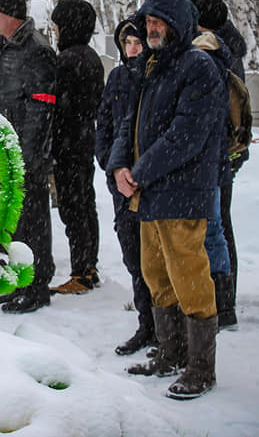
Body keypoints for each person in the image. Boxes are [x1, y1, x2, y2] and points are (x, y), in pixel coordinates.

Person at [106, 0, 225, 400]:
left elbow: (186, 135)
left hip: (182, 192)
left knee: (190, 278)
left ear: (177, 25)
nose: (152, 29)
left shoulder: (198, 66)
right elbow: (128, 123)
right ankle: (170, 353)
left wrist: (138, 173)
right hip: (149, 194)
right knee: (157, 275)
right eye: (148, 22)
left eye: (159, 22)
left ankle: (201, 367)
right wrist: (119, 166)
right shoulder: (150, 66)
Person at [0, 0, 57, 314]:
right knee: (15, 222)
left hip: (26, 155)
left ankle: (37, 285)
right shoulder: (4, 45)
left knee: (33, 220)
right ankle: (20, 280)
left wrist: (23, 155)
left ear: (9, 15)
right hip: (5, 149)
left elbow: (41, 108)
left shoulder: (35, 49)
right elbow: (2, 98)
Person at [96, 18, 155, 355]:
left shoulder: (155, 75)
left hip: (150, 177)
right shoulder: (118, 76)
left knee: (155, 257)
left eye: (138, 42)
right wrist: (110, 164)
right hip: (120, 179)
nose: (133, 49)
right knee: (132, 252)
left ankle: (164, 327)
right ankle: (146, 323)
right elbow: (105, 122)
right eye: (127, 43)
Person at [48, 0, 104, 295]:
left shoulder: (68, 60)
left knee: (73, 209)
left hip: (68, 144)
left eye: (58, 26)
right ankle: (89, 266)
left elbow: (59, 106)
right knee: (85, 204)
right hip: (83, 141)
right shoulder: (90, 57)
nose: (55, 31)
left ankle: (81, 272)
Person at [197, 0, 245, 330]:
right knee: (219, 225)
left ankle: (223, 301)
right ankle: (222, 298)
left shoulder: (216, 54)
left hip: (218, 151)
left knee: (217, 229)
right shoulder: (228, 48)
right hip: (225, 150)